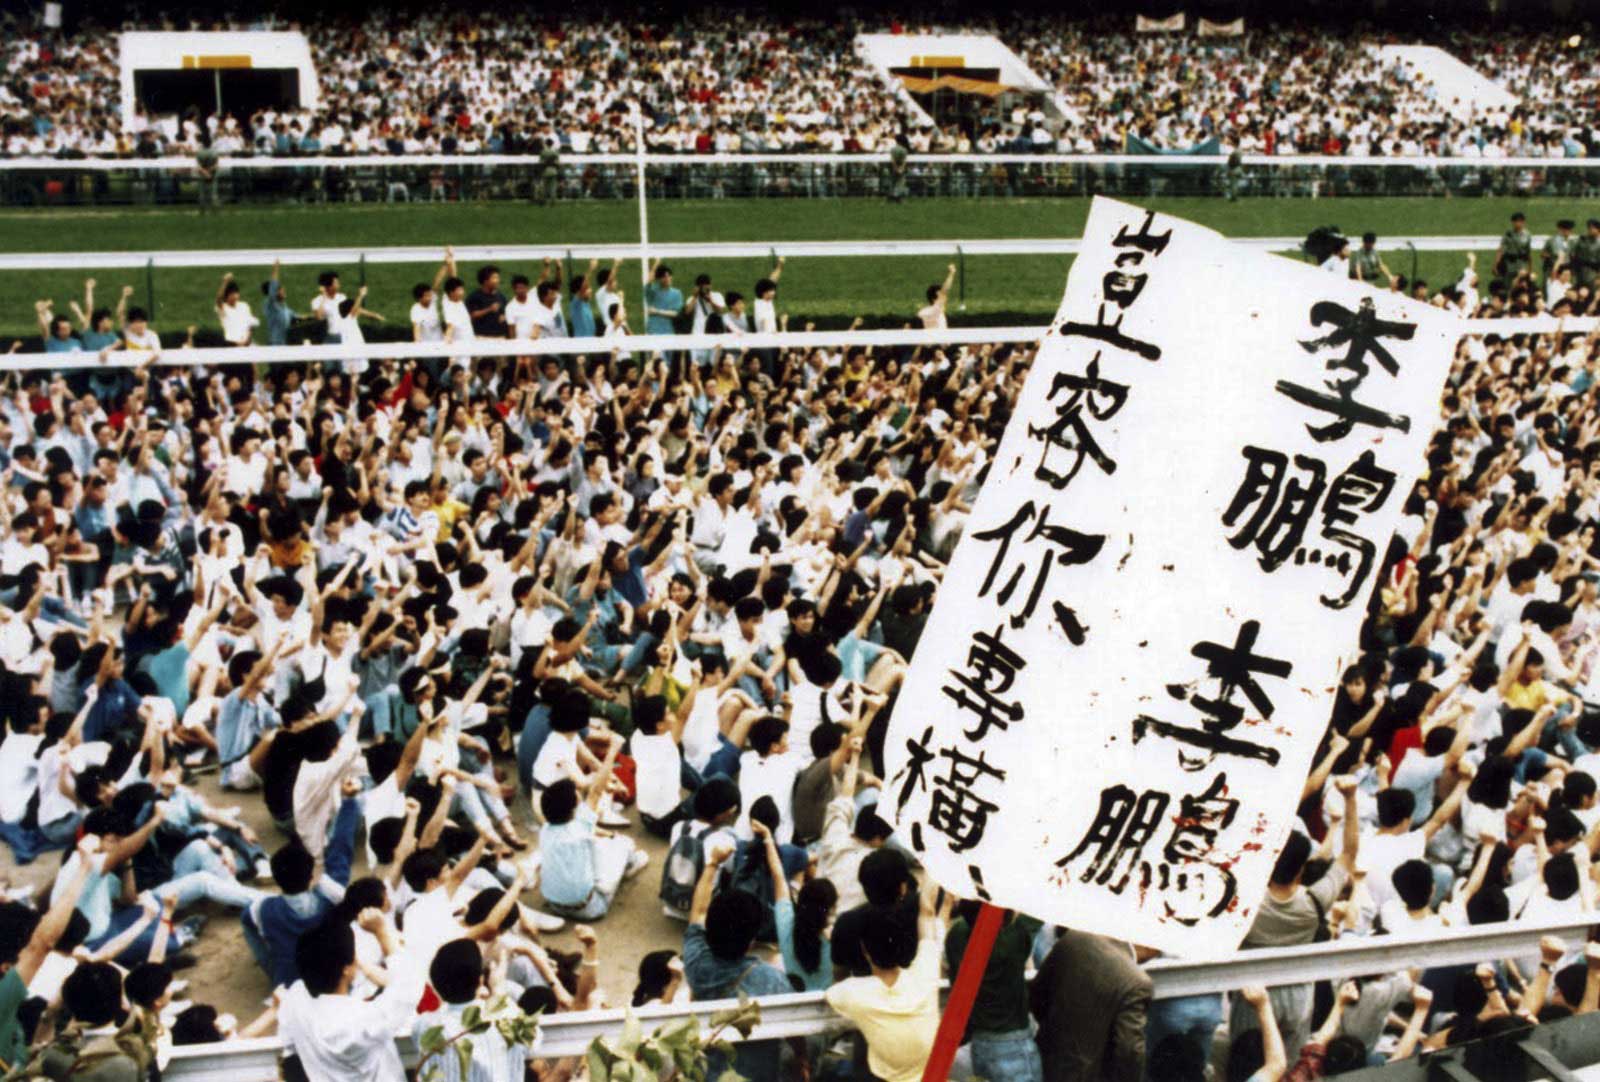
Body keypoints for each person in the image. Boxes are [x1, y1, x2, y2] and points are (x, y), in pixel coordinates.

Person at [681, 842, 792, 1081]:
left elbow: (698, 912)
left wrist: (713, 863)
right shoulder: (773, 980)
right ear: (751, 941)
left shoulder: (696, 962)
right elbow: (794, 1031)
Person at [824, 879, 952, 1082]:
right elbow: (927, 914)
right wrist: (933, 870)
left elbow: (831, 994)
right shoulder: (924, 972)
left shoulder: (854, 992)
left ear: (865, 951)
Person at [276, 917, 422, 1082]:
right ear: (346, 968)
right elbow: (408, 989)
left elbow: (289, 1045)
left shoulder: (295, 997)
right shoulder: (359, 1019)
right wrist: (382, 933)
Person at [1030, 927, 1152, 1082]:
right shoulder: (1137, 982)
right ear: (1150, 945)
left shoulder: (1076, 936)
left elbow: (1037, 994)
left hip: (1046, 1054)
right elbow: (1129, 1050)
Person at [945, 903, 1044, 1082]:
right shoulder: (1012, 940)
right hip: (1015, 1050)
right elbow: (1040, 906)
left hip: (979, 1045)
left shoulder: (957, 935)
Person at [1494, 211, 1532, 282]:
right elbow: (1501, 249)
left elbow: (1528, 252)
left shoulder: (1527, 235)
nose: (1518, 224)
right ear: (1513, 222)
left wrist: (1530, 268)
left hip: (1521, 263)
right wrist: (1496, 264)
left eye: (1520, 221)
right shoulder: (1508, 234)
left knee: (1521, 283)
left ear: (1523, 222)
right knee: (1509, 283)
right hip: (1509, 264)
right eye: (1516, 221)